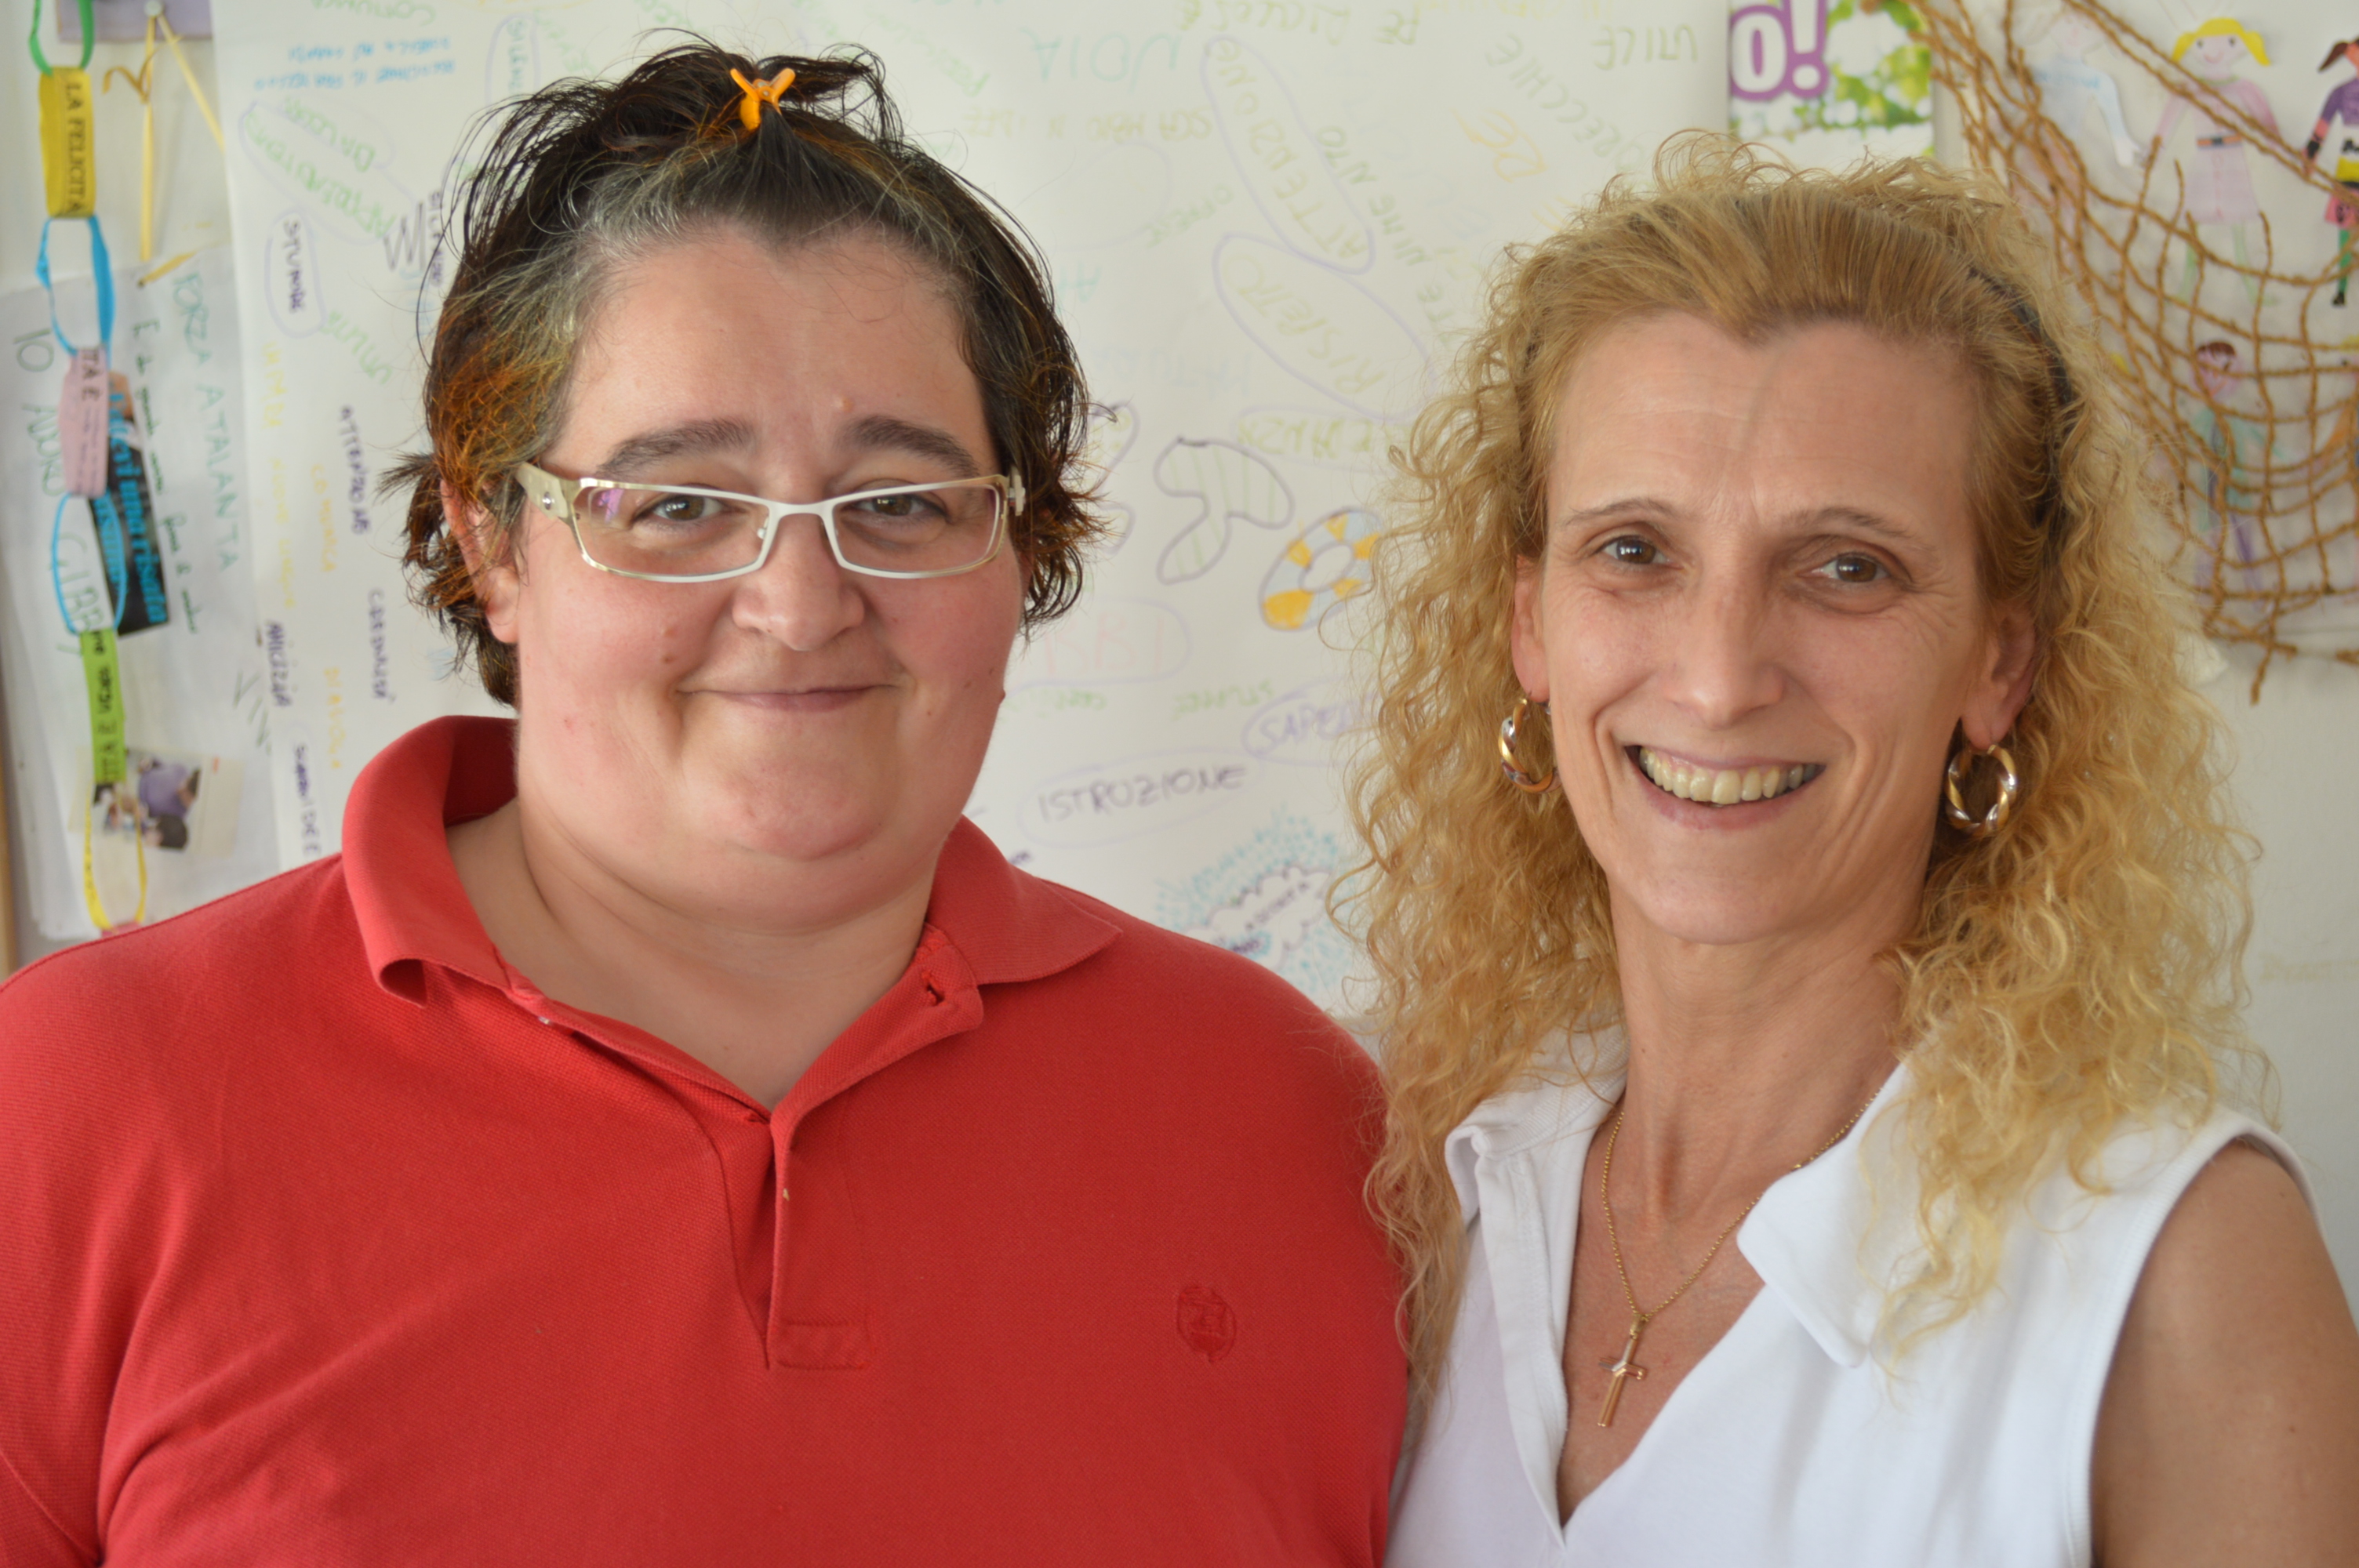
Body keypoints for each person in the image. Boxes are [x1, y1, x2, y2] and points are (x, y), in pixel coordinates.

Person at [0, 45, 1405, 1566]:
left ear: (1021, 544)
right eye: (676, 504)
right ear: (493, 544)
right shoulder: (79, 1107)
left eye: (900, 502)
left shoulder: (1295, 1122)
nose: (799, 606)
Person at [1348, 141, 2359, 1565]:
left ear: (2000, 664)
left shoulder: (2177, 1271)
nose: (1718, 679)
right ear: (1530, 625)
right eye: (1634, 550)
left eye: (1846, 567)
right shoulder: (1424, 1189)